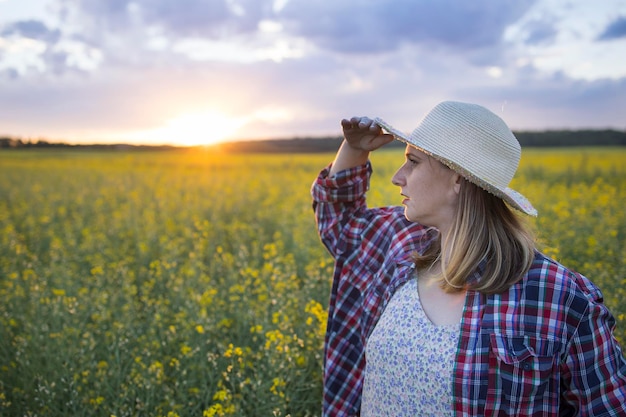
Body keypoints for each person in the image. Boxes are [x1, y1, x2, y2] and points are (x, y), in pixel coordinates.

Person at [311, 100, 626, 416]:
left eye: (413, 162)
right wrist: (353, 149)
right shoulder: (402, 239)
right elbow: (340, 225)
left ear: (458, 179)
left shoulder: (557, 297)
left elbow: (608, 408)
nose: (397, 177)